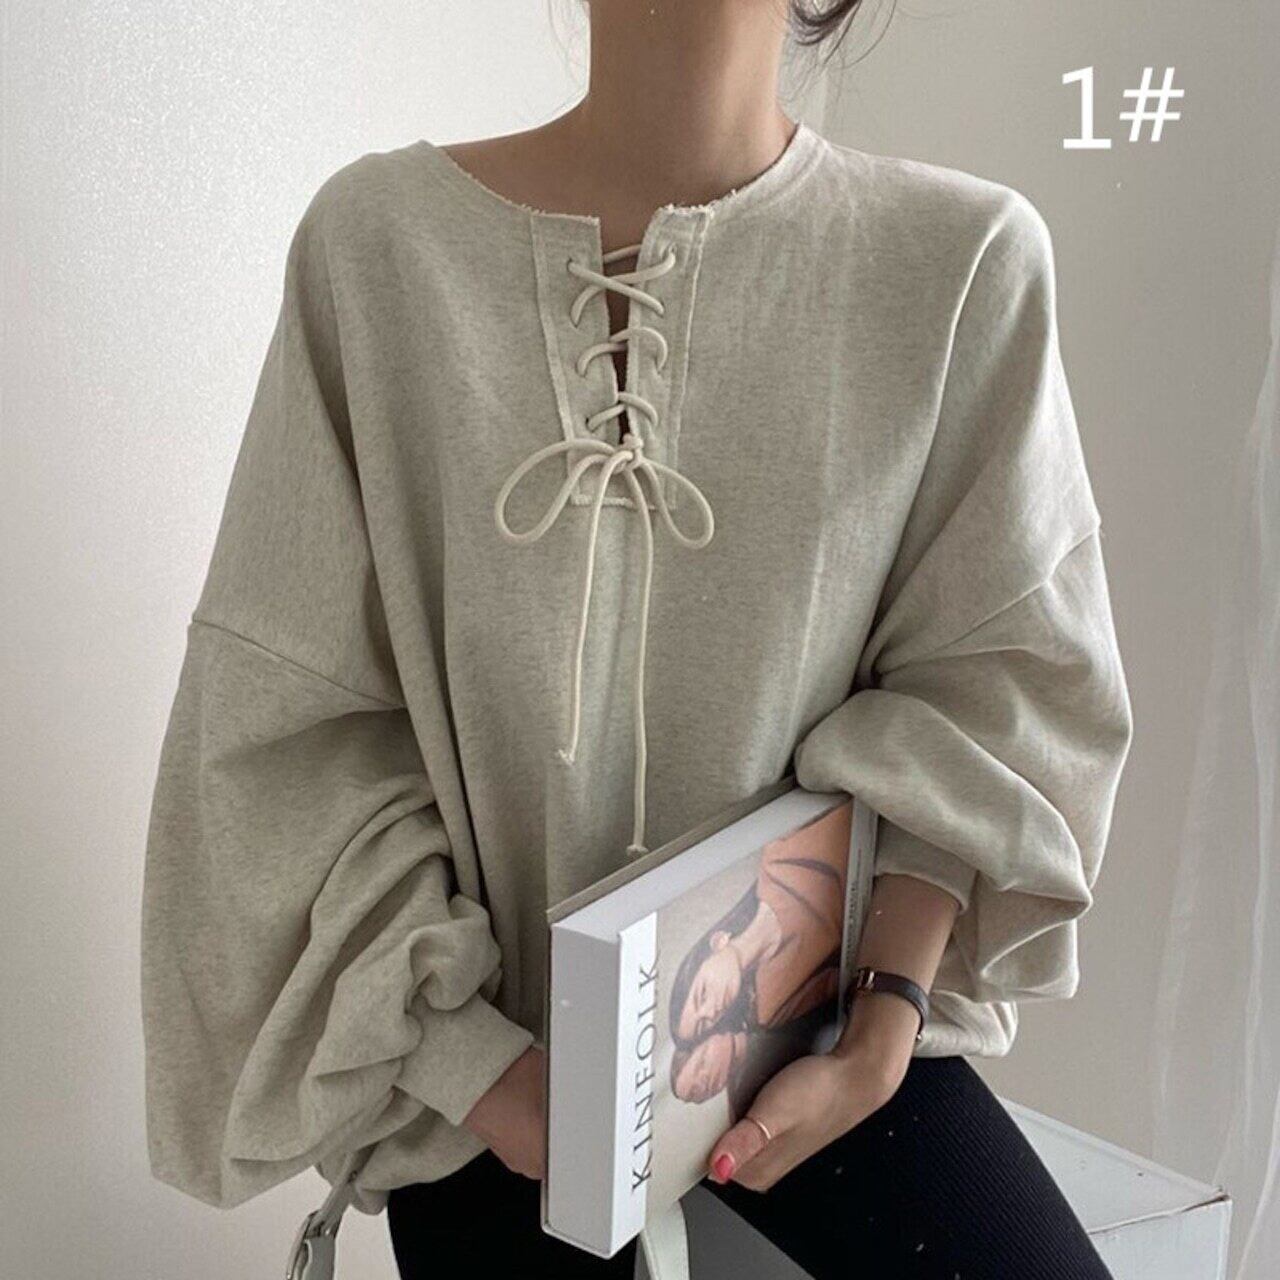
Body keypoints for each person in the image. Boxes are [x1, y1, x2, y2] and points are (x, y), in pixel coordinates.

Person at [140, 2, 1134, 1277]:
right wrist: (489, 1076)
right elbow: (283, 734)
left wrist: (883, 1018)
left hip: (823, 1025)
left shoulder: (957, 264)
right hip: (493, 1071)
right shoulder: (378, 249)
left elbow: (993, 687)